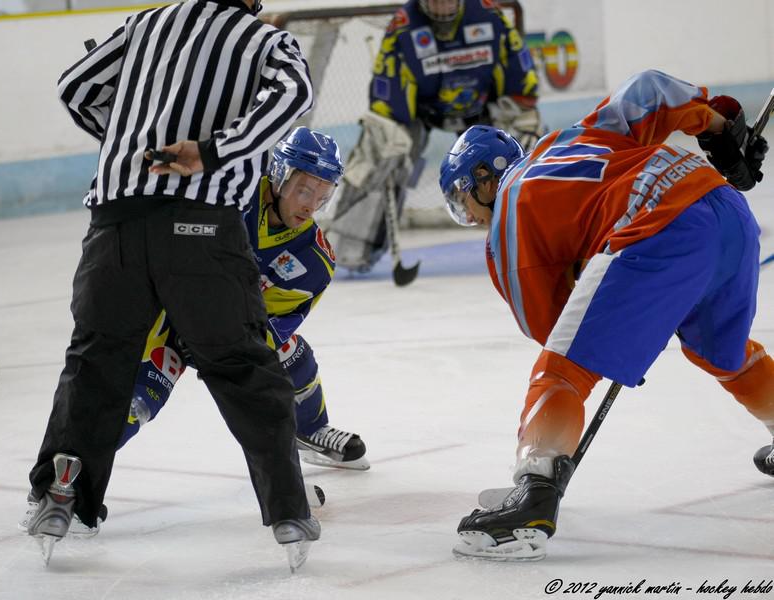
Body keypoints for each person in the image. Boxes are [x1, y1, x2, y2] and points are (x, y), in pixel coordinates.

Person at [26, 0, 320, 571]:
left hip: (115, 224)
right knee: (242, 365)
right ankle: (288, 509)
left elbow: (75, 86)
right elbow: (294, 95)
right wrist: (211, 151)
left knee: (97, 359)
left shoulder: (145, 23)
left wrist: (127, 138)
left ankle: (62, 495)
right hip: (202, 228)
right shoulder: (262, 40)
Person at [438, 69, 772, 561]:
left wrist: (624, 318)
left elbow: (554, 330)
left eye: (463, 200)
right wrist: (721, 129)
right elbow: (650, 90)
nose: (470, 216)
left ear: (484, 182)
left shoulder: (507, 216)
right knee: (723, 352)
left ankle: (533, 497)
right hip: (726, 209)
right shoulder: (568, 137)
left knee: (561, 373)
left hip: (660, 230)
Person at [119, 128, 369, 473]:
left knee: (293, 354)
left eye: (322, 195)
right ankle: (72, 477)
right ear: (280, 175)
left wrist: (225, 347)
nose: (311, 205)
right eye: (304, 190)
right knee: (137, 404)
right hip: (168, 318)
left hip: (227, 336)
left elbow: (273, 328)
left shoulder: (314, 260)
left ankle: (310, 431)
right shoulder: (233, 192)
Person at [326, 0, 541, 274]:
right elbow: (388, 101)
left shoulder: (489, 15)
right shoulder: (403, 27)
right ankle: (350, 249)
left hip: (483, 108)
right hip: (421, 112)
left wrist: (521, 123)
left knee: (523, 140)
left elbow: (520, 82)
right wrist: (392, 133)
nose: (442, 6)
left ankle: (532, 230)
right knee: (381, 146)